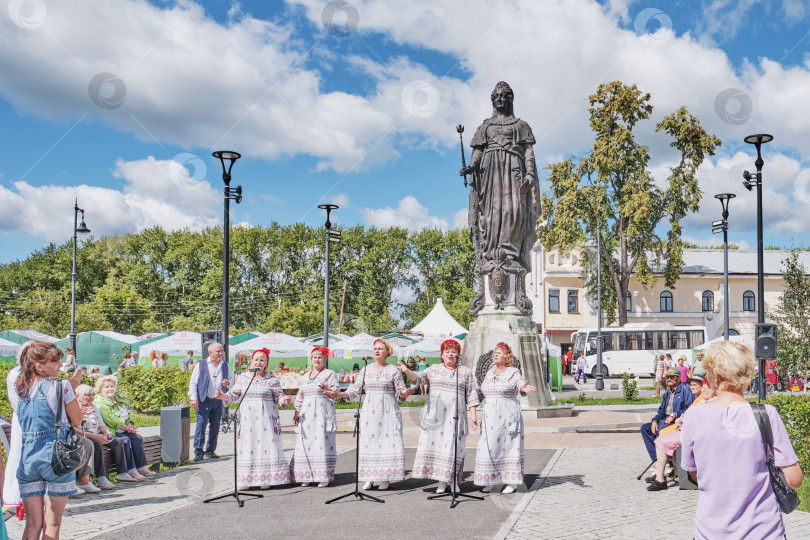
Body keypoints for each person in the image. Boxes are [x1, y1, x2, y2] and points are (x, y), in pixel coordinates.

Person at [681, 341, 803, 539]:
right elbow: (794, 479)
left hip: (710, 531)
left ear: (716, 375)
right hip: (764, 531)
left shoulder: (693, 416)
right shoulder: (767, 414)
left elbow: (694, 473)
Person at [459, 81, 541, 314]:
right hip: (490, 176)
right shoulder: (484, 127)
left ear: (510, 100)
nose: (500, 100)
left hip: (513, 174)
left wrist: (530, 174)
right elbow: (477, 152)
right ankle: (492, 252)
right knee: (492, 216)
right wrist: (471, 167)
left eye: (505, 97)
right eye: (496, 97)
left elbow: (528, 152)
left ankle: (511, 253)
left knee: (513, 212)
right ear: (492, 100)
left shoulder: (520, 125)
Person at [322, 339, 413, 490]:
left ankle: (385, 477)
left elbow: (401, 393)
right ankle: (370, 476)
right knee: (370, 442)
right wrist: (338, 395)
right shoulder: (366, 369)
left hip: (388, 411)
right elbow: (354, 390)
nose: (377, 351)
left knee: (386, 443)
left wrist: (405, 393)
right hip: (370, 411)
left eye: (380, 349)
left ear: (387, 352)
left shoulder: (393, 371)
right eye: (375, 348)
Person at [15, 341, 82, 540]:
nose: (60, 365)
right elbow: (77, 420)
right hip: (56, 456)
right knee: (52, 526)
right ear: (39, 366)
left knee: (32, 525)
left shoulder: (21, 388)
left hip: (28, 458)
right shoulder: (62, 386)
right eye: (55, 361)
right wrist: (73, 387)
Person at [398, 339, 479, 493]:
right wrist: (405, 370)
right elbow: (418, 377)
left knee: (454, 448)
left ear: (458, 355)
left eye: (454, 351)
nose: (450, 353)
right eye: (447, 351)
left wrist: (474, 416)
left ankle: (453, 480)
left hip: (456, 416)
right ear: (442, 355)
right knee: (438, 448)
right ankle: (441, 481)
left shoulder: (464, 372)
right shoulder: (434, 369)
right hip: (436, 418)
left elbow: (472, 394)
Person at [213, 348, 291, 489]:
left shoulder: (272, 379)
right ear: (251, 362)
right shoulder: (244, 378)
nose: (258, 362)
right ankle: (246, 479)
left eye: (262, 360)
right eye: (256, 359)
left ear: (266, 363)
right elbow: (234, 394)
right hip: (248, 421)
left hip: (266, 420)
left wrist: (284, 401)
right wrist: (223, 396)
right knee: (249, 447)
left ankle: (266, 478)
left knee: (266, 446)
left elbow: (279, 397)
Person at [471, 342, 536, 494]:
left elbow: (520, 384)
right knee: (489, 448)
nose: (495, 355)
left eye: (499, 353)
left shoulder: (513, 372)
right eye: (495, 352)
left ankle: (511, 482)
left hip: (507, 416)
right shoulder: (489, 372)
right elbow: (481, 392)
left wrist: (523, 388)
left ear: (506, 357)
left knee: (509, 447)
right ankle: (490, 479)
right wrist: (469, 396)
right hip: (489, 418)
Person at [646, 374, 713, 491]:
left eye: (696, 385)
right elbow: (662, 409)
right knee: (653, 432)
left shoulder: (704, 400)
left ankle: (661, 477)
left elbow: (698, 417)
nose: (693, 387)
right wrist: (655, 420)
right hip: (687, 430)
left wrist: (680, 418)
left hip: (692, 433)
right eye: (691, 385)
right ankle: (661, 473)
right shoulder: (698, 398)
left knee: (661, 440)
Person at [291, 347, 339, 487]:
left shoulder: (329, 374)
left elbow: (335, 391)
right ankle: (306, 475)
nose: (317, 360)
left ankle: (323, 476)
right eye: (314, 358)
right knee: (305, 442)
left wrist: (326, 388)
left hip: (322, 413)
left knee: (320, 443)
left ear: (325, 359)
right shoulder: (306, 375)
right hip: (307, 414)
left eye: (320, 357)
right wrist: (296, 412)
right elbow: (300, 395)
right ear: (311, 360)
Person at [93, 375, 156, 480]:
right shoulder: (99, 402)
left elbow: (126, 415)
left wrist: (130, 424)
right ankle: (131, 470)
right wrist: (127, 428)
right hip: (110, 430)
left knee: (137, 438)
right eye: (106, 387)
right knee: (125, 440)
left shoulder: (117, 399)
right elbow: (111, 420)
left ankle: (141, 467)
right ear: (100, 389)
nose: (110, 389)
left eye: (112, 386)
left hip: (122, 428)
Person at [76, 384, 132, 489]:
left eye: (92, 395)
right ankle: (101, 477)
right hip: (85, 435)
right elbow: (76, 429)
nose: (91, 397)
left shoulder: (93, 407)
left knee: (117, 441)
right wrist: (96, 436)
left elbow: (101, 425)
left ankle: (122, 472)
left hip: (97, 434)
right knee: (95, 444)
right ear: (78, 396)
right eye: (87, 395)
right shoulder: (75, 409)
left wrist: (107, 433)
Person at [639, 367, 695, 462]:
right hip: (664, 421)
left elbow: (689, 408)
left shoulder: (685, 389)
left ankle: (664, 461)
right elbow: (661, 410)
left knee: (660, 432)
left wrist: (674, 415)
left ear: (679, 378)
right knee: (645, 428)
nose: (669, 379)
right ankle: (658, 460)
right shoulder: (667, 392)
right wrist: (654, 420)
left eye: (672, 377)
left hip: (675, 422)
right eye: (667, 377)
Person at [188, 342, 231, 461]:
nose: (221, 353)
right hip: (203, 399)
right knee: (201, 425)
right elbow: (193, 382)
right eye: (218, 351)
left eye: (221, 351)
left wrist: (228, 383)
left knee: (215, 426)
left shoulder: (225, 365)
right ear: (210, 352)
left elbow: (231, 380)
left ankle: (210, 450)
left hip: (217, 400)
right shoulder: (201, 365)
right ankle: (198, 451)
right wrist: (194, 398)